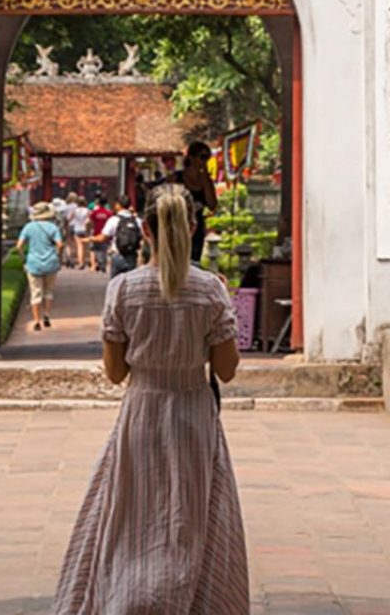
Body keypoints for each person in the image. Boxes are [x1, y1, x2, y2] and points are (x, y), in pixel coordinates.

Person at [50, 183, 248, 615]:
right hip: (193, 411)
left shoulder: (123, 290)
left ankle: (129, 600)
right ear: (194, 227)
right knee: (193, 518)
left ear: (145, 228)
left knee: (131, 519)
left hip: (142, 411)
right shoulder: (209, 290)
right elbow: (227, 369)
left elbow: (116, 371)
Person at [15, 200, 63, 332]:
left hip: (33, 263)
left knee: (35, 292)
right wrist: (58, 255)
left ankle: (36, 321)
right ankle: (46, 315)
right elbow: (60, 244)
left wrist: (23, 258)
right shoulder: (53, 227)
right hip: (51, 262)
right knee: (48, 291)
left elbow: (19, 246)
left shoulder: (28, 227)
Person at [173, 140, 219, 264]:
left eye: (207, 157)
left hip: (196, 225)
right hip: (178, 222)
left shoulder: (206, 181)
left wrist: (205, 178)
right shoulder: (177, 178)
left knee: (194, 260)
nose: (205, 161)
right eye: (202, 157)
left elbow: (212, 204)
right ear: (192, 158)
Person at [101, 197, 143, 279]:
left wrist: (89, 239)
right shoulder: (137, 220)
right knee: (130, 283)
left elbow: (103, 237)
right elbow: (143, 234)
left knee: (115, 284)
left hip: (117, 254)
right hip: (132, 256)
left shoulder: (113, 220)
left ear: (118, 205)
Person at [89, 199, 112, 272]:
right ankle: (103, 264)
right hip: (105, 233)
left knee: (96, 249)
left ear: (98, 204)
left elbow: (91, 221)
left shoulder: (95, 212)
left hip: (96, 232)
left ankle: (99, 263)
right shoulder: (108, 213)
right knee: (104, 250)